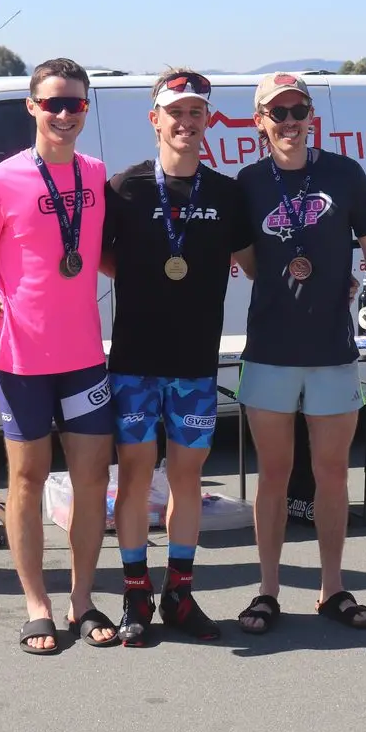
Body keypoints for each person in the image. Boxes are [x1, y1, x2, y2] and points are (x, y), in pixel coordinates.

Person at [0, 58, 119, 654]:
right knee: (25, 480)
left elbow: (100, 257)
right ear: (32, 107)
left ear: (86, 109)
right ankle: (35, 604)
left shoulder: (97, 176)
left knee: (91, 479)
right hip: (21, 362)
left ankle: (82, 598)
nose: (65, 113)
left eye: (75, 103)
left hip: (83, 360)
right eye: (53, 103)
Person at [232, 72, 366, 634]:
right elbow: (249, 262)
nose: (288, 122)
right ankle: (268, 591)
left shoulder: (344, 173)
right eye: (276, 113)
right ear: (259, 121)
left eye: (296, 110)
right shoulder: (248, 183)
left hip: (333, 351)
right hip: (270, 351)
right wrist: (295, 280)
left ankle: (332, 588)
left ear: (312, 117)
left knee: (332, 474)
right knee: (274, 476)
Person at [100, 69, 255, 646]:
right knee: (137, 479)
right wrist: (150, 282)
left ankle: (180, 594)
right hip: (136, 362)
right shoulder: (126, 189)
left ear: (208, 121)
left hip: (194, 363)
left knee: (188, 479)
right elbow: (102, 257)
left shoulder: (227, 193)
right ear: (154, 120)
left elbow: (253, 262)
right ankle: (136, 594)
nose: (185, 123)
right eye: (175, 113)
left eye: (196, 113)